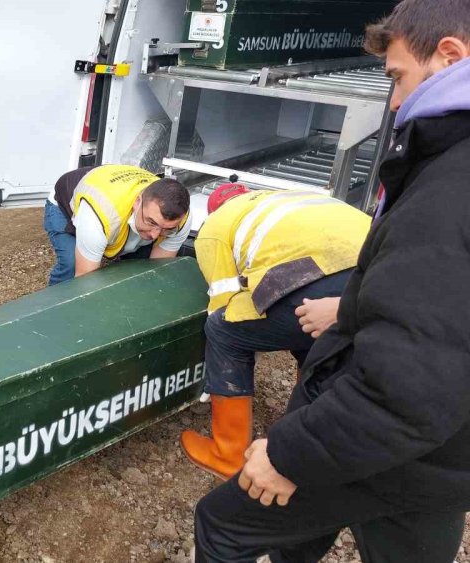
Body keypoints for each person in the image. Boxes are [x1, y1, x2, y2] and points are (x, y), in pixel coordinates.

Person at [193, 1, 470, 560]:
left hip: (401, 443)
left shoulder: (450, 184)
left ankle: (228, 443)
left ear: (450, 55)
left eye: (395, 77)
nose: (393, 101)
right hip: (449, 457)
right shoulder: (296, 196)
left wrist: (292, 450)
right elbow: (430, 298)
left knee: (226, 331)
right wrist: (346, 309)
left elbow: (228, 303)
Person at [179, 185, 369, 479]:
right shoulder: (286, 198)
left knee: (223, 330)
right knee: (311, 339)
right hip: (376, 275)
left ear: (214, 210)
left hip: (317, 275)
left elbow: (223, 300)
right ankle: (313, 441)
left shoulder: (215, 227)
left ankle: (226, 454)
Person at [43, 164, 191, 286]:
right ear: (137, 202)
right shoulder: (97, 217)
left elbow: (157, 271)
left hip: (114, 188)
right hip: (66, 203)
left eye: (167, 229)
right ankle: (51, 313)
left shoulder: (182, 220)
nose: (154, 235)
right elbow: (84, 283)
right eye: (151, 222)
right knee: (71, 264)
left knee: (142, 268)